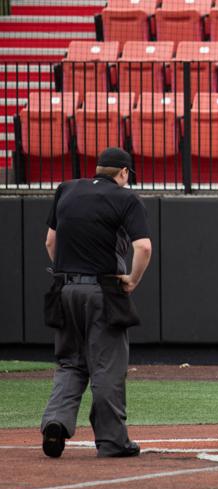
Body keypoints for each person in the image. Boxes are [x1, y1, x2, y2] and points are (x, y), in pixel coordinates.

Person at [41, 147, 151, 458]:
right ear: (124, 173)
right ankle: (112, 441)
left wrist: (68, 272)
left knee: (70, 362)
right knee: (107, 367)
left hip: (64, 290)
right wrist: (132, 278)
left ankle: (55, 422)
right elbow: (143, 247)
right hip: (103, 291)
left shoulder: (67, 189)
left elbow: (50, 241)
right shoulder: (126, 198)